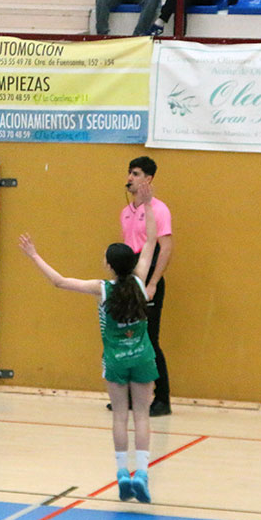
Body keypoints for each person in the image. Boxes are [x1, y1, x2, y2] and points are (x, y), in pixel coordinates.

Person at [18, 186, 158, 503]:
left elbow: (59, 282)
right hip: (143, 357)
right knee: (142, 416)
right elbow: (151, 241)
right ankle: (142, 474)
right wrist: (148, 205)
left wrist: (34, 255)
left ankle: (122, 474)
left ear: (109, 266)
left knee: (120, 416)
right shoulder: (139, 282)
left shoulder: (102, 289)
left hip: (116, 361)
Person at [122, 156, 173, 416]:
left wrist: (152, 283)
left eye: (136, 173)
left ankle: (162, 399)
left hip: (149, 277)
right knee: (129, 337)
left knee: (150, 340)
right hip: (130, 279)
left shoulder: (159, 210)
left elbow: (165, 248)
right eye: (130, 173)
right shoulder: (125, 211)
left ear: (148, 179)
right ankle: (131, 396)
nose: (130, 178)